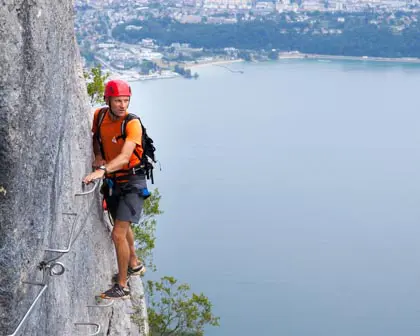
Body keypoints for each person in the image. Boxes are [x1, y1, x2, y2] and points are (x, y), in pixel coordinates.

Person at [83, 79, 147, 299]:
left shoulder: (132, 123)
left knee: (117, 233)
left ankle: (122, 286)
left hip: (133, 180)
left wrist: (102, 170)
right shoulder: (99, 116)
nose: (123, 105)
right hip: (114, 182)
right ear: (107, 100)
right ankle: (134, 262)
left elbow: (125, 157)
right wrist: (99, 156)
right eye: (118, 100)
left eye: (126, 100)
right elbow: (96, 138)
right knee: (122, 222)